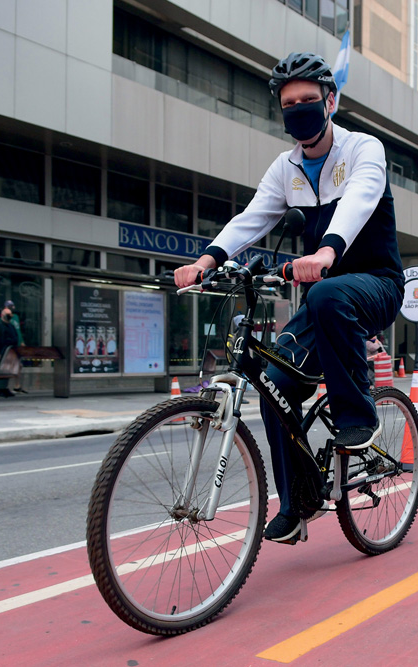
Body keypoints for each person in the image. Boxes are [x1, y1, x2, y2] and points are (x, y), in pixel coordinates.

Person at [173, 51, 404, 544]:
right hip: (325, 299)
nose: (298, 109)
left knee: (326, 294)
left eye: (308, 100)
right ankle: (298, 502)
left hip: (376, 286)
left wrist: (327, 250)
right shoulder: (286, 167)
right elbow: (251, 219)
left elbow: (361, 199)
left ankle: (357, 415)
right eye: (289, 103)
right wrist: (205, 261)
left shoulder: (365, 149)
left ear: (331, 101)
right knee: (274, 382)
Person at [0, 306, 20, 397]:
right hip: (3, 351)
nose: (9, 316)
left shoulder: (11, 326)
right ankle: (0, 389)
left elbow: (16, 337)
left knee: (8, 370)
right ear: (2, 315)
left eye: (10, 314)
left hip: (10, 351)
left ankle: (4, 388)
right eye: (7, 315)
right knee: (1, 370)